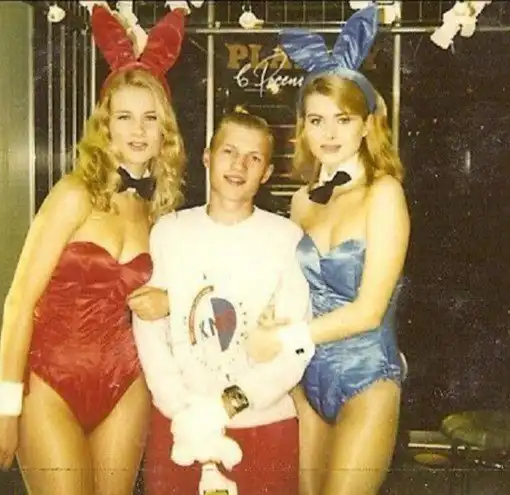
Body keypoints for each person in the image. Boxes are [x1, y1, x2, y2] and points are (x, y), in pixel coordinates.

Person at [0, 5, 187, 494]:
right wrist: (5, 405)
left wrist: (171, 301)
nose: (138, 130)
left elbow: (176, 296)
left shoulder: (159, 211)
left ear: (164, 130)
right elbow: (19, 301)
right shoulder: (74, 193)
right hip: (49, 383)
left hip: (126, 384)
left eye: (150, 118)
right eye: (125, 117)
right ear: (106, 125)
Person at [248, 6, 410, 494]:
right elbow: (296, 288)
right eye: (316, 120)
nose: (329, 133)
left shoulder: (384, 193)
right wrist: (271, 316)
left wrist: (284, 336)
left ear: (367, 125)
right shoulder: (302, 200)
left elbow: (368, 311)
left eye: (343, 119)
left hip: (367, 380)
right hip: (306, 379)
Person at [132, 109, 314, 495]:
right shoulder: (169, 231)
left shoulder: (286, 238)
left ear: (267, 172)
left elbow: (295, 347)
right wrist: (183, 409)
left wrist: (224, 406)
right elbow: (149, 327)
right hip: (178, 424)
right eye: (229, 152)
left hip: (263, 425)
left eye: (254, 158)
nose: (239, 165)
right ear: (207, 157)